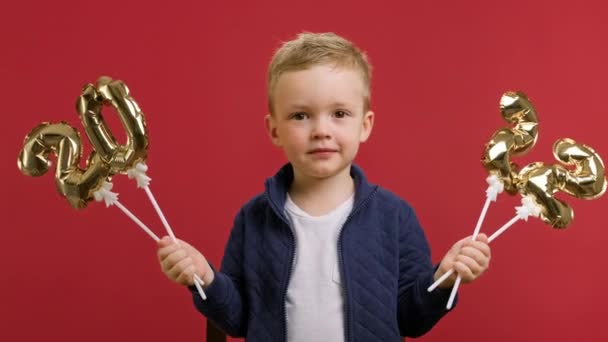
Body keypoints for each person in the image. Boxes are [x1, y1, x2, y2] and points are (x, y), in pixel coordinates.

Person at [157, 32, 491, 342]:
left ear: (365, 125)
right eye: (301, 116)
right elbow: (237, 319)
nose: (321, 130)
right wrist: (204, 279)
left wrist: (446, 278)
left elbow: (412, 319)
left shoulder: (395, 216)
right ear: (274, 130)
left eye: (339, 113)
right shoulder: (253, 218)